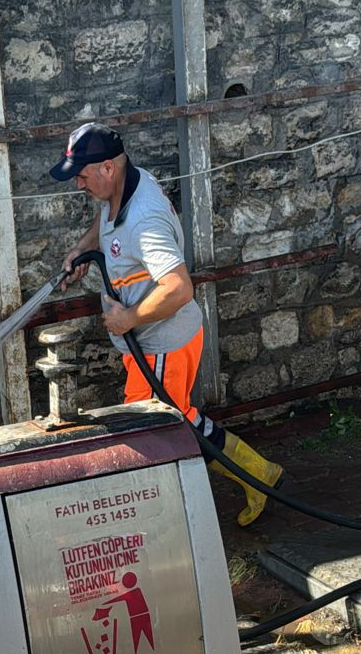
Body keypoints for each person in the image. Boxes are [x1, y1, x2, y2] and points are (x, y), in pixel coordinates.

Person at [52, 121, 283, 527]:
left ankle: (173, 516)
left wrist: (127, 318)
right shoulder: (126, 184)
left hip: (161, 343)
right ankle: (257, 473)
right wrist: (82, 249)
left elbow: (178, 288)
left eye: (83, 175)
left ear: (107, 167)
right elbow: (107, 221)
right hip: (151, 343)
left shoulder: (145, 219)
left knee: (154, 431)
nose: (78, 184)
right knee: (175, 421)